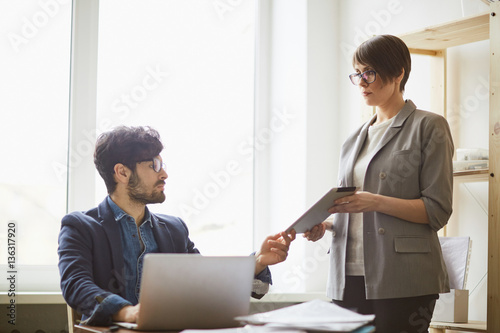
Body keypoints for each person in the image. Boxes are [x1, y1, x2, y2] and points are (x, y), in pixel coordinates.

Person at [58, 126, 296, 326]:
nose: (165, 174)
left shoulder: (174, 229)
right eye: (154, 165)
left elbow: (206, 283)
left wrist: (257, 263)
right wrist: (127, 312)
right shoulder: (80, 226)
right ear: (122, 172)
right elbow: (76, 285)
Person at [303, 35, 453, 333]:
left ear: (399, 73)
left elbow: (437, 211)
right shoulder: (354, 139)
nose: (362, 81)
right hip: (347, 274)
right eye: (357, 73)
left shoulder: (428, 126)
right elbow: (354, 208)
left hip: (404, 277)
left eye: (369, 72)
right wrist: (328, 224)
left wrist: (375, 201)